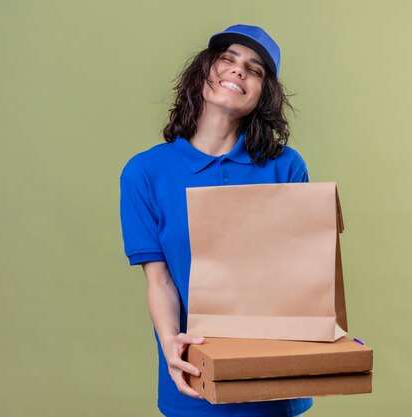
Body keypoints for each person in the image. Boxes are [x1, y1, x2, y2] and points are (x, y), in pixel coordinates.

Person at [119, 24, 313, 417]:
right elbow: (159, 280)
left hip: (273, 383)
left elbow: (301, 276)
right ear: (204, 71)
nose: (238, 71)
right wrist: (170, 340)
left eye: (254, 70)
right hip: (193, 382)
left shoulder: (286, 167)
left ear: (263, 95)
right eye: (228, 59)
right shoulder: (145, 172)